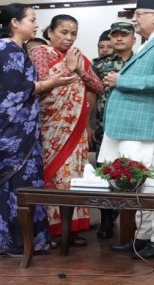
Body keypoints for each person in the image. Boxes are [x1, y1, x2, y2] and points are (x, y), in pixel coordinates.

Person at [0, 3, 76, 257]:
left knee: (22, 184)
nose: (36, 24)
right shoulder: (5, 49)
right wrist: (50, 82)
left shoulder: (13, 48)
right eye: (32, 19)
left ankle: (22, 241)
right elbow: (12, 90)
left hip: (20, 129)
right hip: (6, 131)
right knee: (9, 184)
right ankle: (4, 242)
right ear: (15, 23)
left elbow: (25, 87)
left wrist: (52, 81)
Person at [100, 0, 154, 259]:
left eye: (139, 15)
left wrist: (120, 80)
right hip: (135, 126)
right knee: (140, 186)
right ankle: (143, 237)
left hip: (149, 126)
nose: (134, 20)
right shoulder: (151, 43)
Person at [29, 14, 103, 247]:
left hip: (77, 129)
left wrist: (80, 70)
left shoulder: (78, 56)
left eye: (73, 33)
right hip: (51, 128)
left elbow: (98, 87)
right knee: (55, 177)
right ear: (49, 32)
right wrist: (66, 67)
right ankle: (49, 230)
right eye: (63, 32)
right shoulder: (40, 53)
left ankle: (71, 229)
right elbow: (41, 82)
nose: (69, 38)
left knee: (73, 178)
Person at [90, 21, 136, 239]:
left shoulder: (141, 62)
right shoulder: (100, 65)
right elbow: (90, 94)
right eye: (114, 35)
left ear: (133, 39)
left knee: (132, 173)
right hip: (104, 129)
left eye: (123, 35)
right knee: (105, 174)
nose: (118, 39)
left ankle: (132, 224)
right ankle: (107, 219)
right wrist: (88, 124)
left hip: (135, 127)